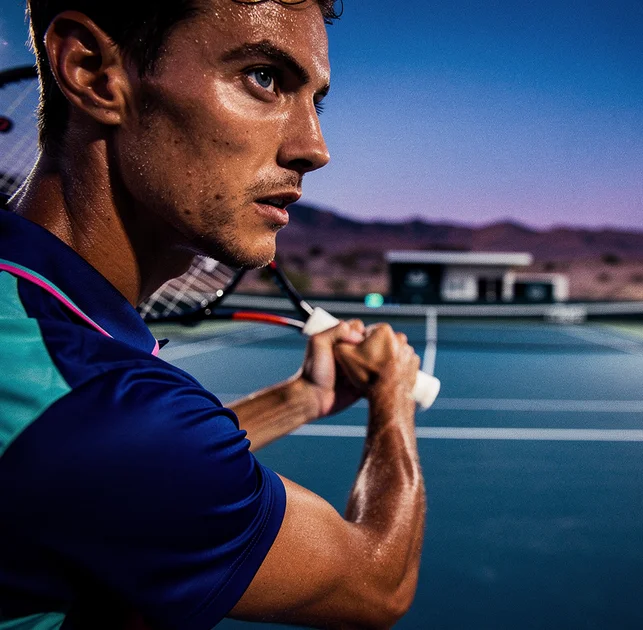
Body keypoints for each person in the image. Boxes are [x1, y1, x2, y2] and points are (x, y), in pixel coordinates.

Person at [0, 0, 426, 628]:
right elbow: (376, 581)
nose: (315, 148)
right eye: (264, 77)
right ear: (91, 72)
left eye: (316, 101)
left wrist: (302, 398)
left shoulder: (46, 351)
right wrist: (393, 400)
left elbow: (97, 476)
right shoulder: (102, 405)